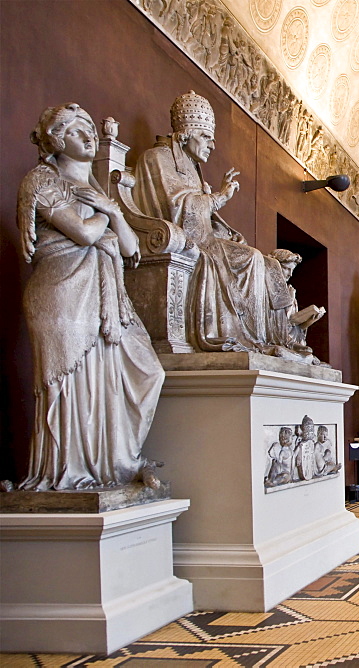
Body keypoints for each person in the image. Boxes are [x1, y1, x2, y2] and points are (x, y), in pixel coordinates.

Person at [16, 103, 165, 491]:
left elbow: (132, 247)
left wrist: (112, 211)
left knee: (147, 370)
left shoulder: (97, 190)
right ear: (55, 140)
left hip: (104, 296)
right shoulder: (41, 181)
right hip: (62, 293)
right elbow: (82, 233)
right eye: (74, 130)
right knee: (72, 386)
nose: (87, 136)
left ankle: (114, 465)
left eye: (88, 128)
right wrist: (107, 215)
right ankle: (69, 474)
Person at [133, 91, 298, 356]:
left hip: (203, 239)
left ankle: (276, 338)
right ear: (185, 135)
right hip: (182, 241)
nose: (212, 145)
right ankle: (242, 336)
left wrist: (226, 228)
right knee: (252, 259)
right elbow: (176, 209)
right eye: (206, 137)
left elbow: (205, 217)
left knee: (267, 263)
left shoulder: (192, 168)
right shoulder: (157, 159)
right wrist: (218, 197)